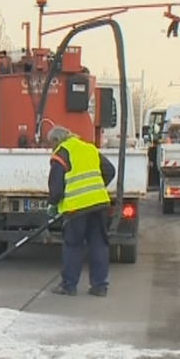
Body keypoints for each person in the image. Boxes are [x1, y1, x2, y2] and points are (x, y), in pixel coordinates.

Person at [45, 126, 117, 297]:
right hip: (98, 203)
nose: (51, 148)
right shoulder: (89, 148)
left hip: (76, 207)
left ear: (56, 141)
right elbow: (110, 170)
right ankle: (99, 286)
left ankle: (69, 285)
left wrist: (53, 205)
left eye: (50, 144)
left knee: (73, 245)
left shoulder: (61, 154)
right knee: (98, 244)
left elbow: (56, 188)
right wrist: (95, 187)